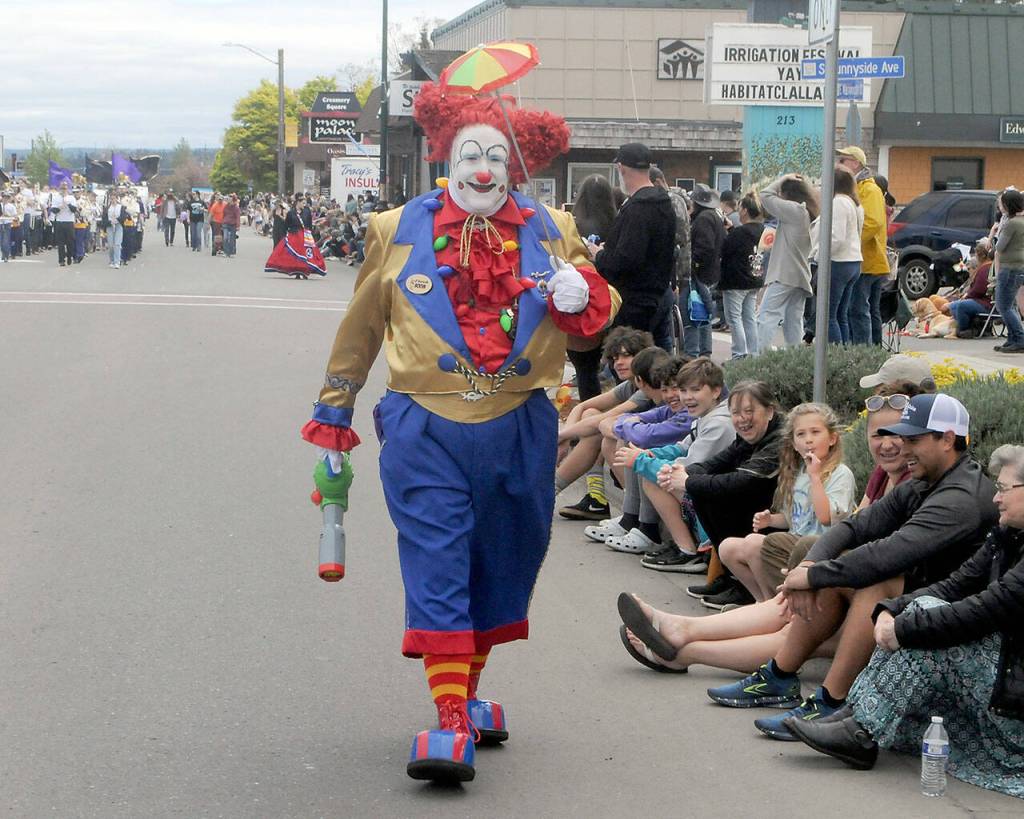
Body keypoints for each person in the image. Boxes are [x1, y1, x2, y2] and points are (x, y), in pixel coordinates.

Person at [302, 82, 615, 784]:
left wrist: (581, 293)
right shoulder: (395, 227)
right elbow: (360, 329)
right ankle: (448, 717)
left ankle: (467, 694)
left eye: (495, 158)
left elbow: (599, 310)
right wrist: (334, 407)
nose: (482, 170)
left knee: (498, 564)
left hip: (521, 423)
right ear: (447, 157)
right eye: (470, 154)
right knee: (440, 564)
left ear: (512, 166)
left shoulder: (550, 228)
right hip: (425, 426)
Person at [706, 393, 998, 741]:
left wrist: (811, 575)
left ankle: (833, 699)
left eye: (913, 440)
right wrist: (813, 567)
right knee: (839, 572)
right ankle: (779, 676)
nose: (903, 448)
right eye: (902, 437)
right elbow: (856, 526)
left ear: (947, 439)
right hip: (921, 594)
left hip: (958, 612)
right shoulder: (927, 479)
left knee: (876, 582)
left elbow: (888, 554)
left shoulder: (960, 498)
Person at [617, 383, 915, 676]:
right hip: (857, 585)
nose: (887, 443)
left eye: (898, 435)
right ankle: (680, 628)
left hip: (886, 603)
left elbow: (882, 549)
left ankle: (682, 650)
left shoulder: (914, 485)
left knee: (792, 624)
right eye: (878, 434)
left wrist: (819, 570)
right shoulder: (882, 475)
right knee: (784, 605)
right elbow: (856, 526)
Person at [787, 444, 1024, 798]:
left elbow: (983, 610)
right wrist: (892, 608)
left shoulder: (964, 501)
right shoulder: (1008, 534)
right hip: (1004, 669)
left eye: (1004, 489)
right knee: (920, 607)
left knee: (925, 620)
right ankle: (856, 716)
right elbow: (958, 583)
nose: (996, 499)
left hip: (1015, 694)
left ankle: (859, 728)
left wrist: (902, 627)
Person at [657, 381, 785, 609]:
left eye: (749, 411)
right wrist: (682, 472)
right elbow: (719, 461)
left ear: (770, 411)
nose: (743, 419)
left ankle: (745, 585)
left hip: (780, 517)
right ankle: (731, 577)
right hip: (763, 507)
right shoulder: (752, 435)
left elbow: (745, 481)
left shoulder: (780, 439)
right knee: (702, 491)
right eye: (736, 413)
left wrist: (688, 481)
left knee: (712, 492)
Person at [719, 403, 857, 602]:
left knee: (754, 543)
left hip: (821, 548)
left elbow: (825, 518)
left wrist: (816, 478)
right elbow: (793, 517)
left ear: (832, 438)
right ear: (793, 443)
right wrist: (771, 520)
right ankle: (764, 601)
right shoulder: (799, 471)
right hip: (794, 540)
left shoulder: (840, 474)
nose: (808, 440)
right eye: (800, 434)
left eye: (815, 432)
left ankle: (773, 606)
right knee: (728, 548)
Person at [622, 358, 736, 569]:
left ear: (716, 390)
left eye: (695, 389)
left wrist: (641, 460)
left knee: (659, 476)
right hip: (707, 490)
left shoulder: (720, 424)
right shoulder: (706, 416)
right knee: (652, 475)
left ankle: (696, 548)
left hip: (721, 501)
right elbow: (682, 447)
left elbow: (688, 469)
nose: (687, 397)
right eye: (683, 390)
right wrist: (651, 454)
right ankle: (686, 548)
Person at [557, 329, 656, 521]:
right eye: (615, 357)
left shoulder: (648, 385)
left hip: (660, 453)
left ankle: (633, 513)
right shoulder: (630, 384)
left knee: (609, 436)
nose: (619, 362)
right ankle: (596, 497)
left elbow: (606, 418)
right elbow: (586, 406)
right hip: (641, 450)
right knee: (591, 413)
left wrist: (561, 436)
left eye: (627, 356)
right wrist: (566, 436)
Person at [585, 143, 676, 340]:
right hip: (660, 296)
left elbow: (627, 259)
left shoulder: (637, 208)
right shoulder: (665, 202)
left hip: (634, 302)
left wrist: (599, 254)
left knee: (626, 364)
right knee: (656, 363)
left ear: (621, 168)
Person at [569, 174, 620, 400]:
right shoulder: (618, 223)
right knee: (619, 364)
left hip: (584, 302)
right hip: (612, 299)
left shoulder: (572, 224)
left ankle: (588, 414)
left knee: (585, 369)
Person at [756, 174, 818, 351]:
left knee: (767, 316)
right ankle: (794, 357)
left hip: (785, 274)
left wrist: (782, 179)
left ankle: (760, 357)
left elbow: (765, 196)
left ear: (788, 194)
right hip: (800, 275)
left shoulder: (795, 211)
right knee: (793, 321)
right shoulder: (808, 213)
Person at [837, 147, 889, 346]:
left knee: (858, 309)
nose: (839, 164)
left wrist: (851, 241)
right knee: (864, 309)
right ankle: (871, 350)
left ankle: (864, 351)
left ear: (855, 163)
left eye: (843, 160)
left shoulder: (869, 189)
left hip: (867, 260)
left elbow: (873, 222)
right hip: (864, 260)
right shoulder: (859, 187)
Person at [719, 192, 765, 358]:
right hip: (754, 278)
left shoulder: (740, 233)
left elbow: (725, 249)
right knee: (749, 318)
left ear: (745, 210)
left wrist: (728, 231)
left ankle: (739, 353)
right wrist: (731, 229)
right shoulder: (763, 230)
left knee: (734, 318)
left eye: (740, 208)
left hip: (735, 280)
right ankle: (753, 353)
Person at [686, 184, 726, 357]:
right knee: (705, 313)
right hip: (712, 272)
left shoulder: (702, 219)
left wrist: (694, 265)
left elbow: (705, 247)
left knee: (697, 313)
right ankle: (705, 352)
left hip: (702, 274)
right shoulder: (714, 217)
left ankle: (699, 352)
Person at [828, 165, 865, 344]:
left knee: (828, 316)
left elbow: (836, 237)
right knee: (841, 315)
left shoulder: (838, 203)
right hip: (854, 261)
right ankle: (844, 354)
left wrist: (820, 256)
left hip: (839, 261)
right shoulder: (855, 203)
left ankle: (832, 357)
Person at [941, 238, 993, 338]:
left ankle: (963, 329)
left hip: (985, 303)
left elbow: (978, 290)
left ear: (980, 255)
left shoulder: (984, 269)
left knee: (961, 306)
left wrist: (967, 296)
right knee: (953, 306)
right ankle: (973, 326)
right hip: (984, 301)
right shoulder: (986, 267)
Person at [264, 196, 327, 279]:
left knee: (307, 254)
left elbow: (309, 224)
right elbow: (287, 224)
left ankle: (306, 271)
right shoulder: (291, 213)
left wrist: (310, 235)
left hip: (305, 235)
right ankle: (297, 272)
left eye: (304, 203)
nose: (304, 205)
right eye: (302, 203)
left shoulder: (307, 212)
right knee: (295, 254)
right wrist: (287, 234)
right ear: (298, 202)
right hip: (294, 234)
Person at [993, 188, 1024, 353]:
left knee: (1003, 305)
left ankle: (1019, 338)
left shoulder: (1011, 224)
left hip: (1009, 267)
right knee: (1009, 304)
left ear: (1008, 205)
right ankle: (1012, 338)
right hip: (1020, 266)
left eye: (1003, 203)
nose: (1001, 206)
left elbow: (1000, 246)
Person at [48, 182, 77, 267]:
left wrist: (68, 204)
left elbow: (74, 210)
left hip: (69, 222)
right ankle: (61, 260)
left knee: (70, 242)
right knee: (60, 242)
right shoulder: (56, 198)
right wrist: (60, 207)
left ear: (67, 189)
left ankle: (69, 256)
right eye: (62, 189)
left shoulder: (71, 198)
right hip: (60, 221)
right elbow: (53, 210)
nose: (63, 191)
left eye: (65, 189)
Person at [222, 194, 241, 258]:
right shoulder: (226, 206)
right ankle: (225, 252)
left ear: (233, 200)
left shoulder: (236, 208)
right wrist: (223, 221)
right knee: (225, 238)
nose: (228, 200)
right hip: (226, 224)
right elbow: (224, 214)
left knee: (232, 239)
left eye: (230, 199)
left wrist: (238, 226)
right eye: (228, 199)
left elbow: (238, 217)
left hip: (233, 224)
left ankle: (231, 252)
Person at [0, 191, 14, 262]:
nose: (5, 199)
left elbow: (15, 216)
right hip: (0, 223)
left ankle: (6, 255)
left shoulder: (11, 206)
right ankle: (3, 253)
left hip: (7, 224)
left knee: (6, 240)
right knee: (1, 240)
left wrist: (8, 215)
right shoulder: (0, 205)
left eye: (7, 198)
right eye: (4, 197)